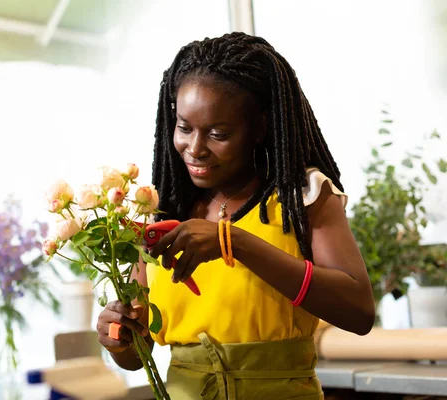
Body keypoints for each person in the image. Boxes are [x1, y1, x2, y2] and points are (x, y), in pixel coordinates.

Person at [96, 32, 375, 399]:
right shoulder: (161, 212)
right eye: (184, 127)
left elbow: (359, 312)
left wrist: (234, 242)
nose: (195, 149)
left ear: (259, 127)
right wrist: (118, 338)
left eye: (217, 133)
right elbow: (139, 355)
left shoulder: (301, 196)